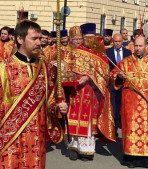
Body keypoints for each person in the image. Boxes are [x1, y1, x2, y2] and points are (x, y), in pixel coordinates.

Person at [0, 20, 68, 169]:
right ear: (20, 39)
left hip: (36, 143)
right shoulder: (3, 69)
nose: (39, 43)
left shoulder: (47, 69)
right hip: (9, 142)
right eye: (34, 39)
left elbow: (49, 102)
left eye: (40, 38)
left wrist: (57, 107)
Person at [111, 36, 148, 168]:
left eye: (140, 46)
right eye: (136, 46)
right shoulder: (125, 62)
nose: (137, 49)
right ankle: (130, 157)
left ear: (146, 47)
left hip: (147, 101)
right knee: (130, 128)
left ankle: (145, 158)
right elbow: (114, 76)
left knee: (146, 129)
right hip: (129, 103)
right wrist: (119, 77)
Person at [65, 23, 116, 161]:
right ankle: (73, 147)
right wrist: (69, 77)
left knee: (87, 120)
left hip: (91, 91)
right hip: (74, 90)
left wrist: (87, 77)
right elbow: (66, 68)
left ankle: (86, 149)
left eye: (90, 38)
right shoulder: (72, 52)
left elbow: (103, 71)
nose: (79, 41)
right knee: (72, 117)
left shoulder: (97, 53)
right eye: (84, 38)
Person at [106, 33, 131, 136]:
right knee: (114, 108)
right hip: (112, 84)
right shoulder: (107, 52)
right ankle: (114, 128)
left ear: (122, 41)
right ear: (113, 41)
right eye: (115, 41)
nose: (117, 43)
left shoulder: (128, 53)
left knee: (124, 107)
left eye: (119, 41)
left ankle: (125, 127)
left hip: (125, 84)